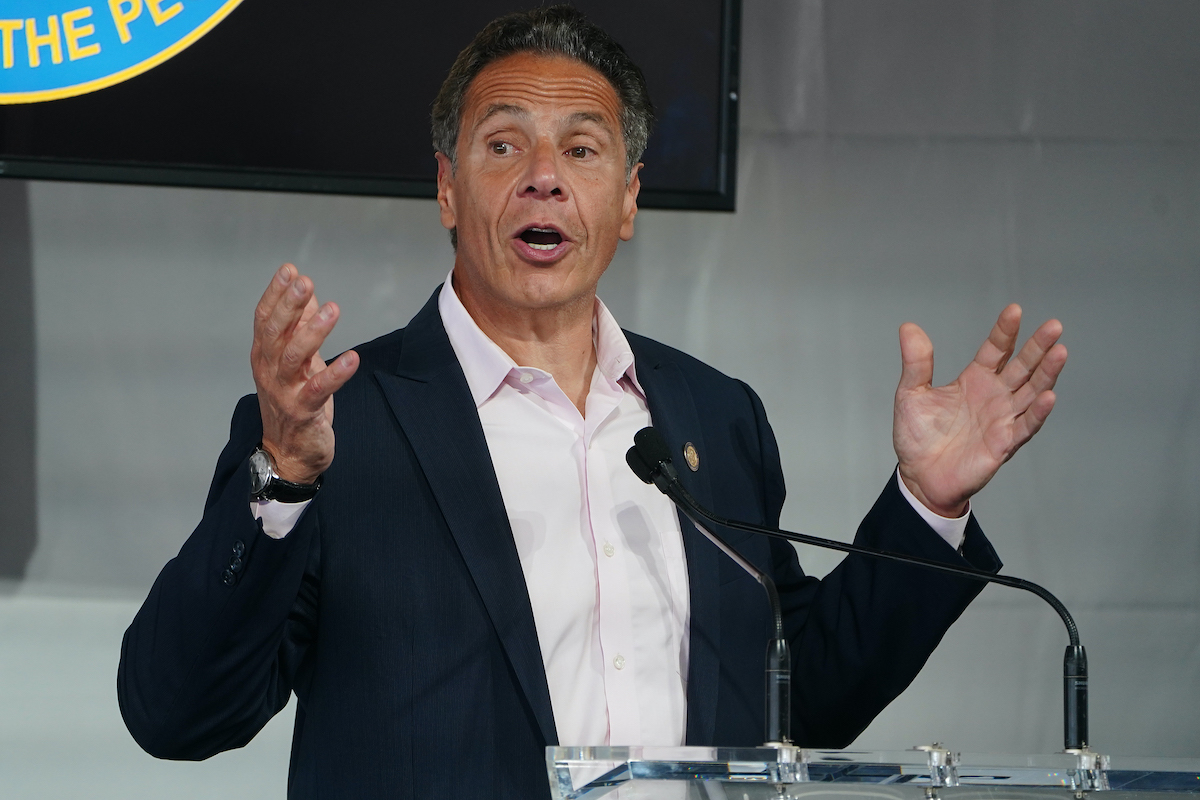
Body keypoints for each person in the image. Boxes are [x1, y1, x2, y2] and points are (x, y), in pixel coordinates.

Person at [117, 6, 1067, 799]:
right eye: (504, 145)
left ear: (627, 199)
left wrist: (924, 508)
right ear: (448, 187)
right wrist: (282, 479)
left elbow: (793, 701)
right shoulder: (337, 422)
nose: (545, 176)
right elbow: (177, 714)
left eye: (582, 148)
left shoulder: (712, 415)